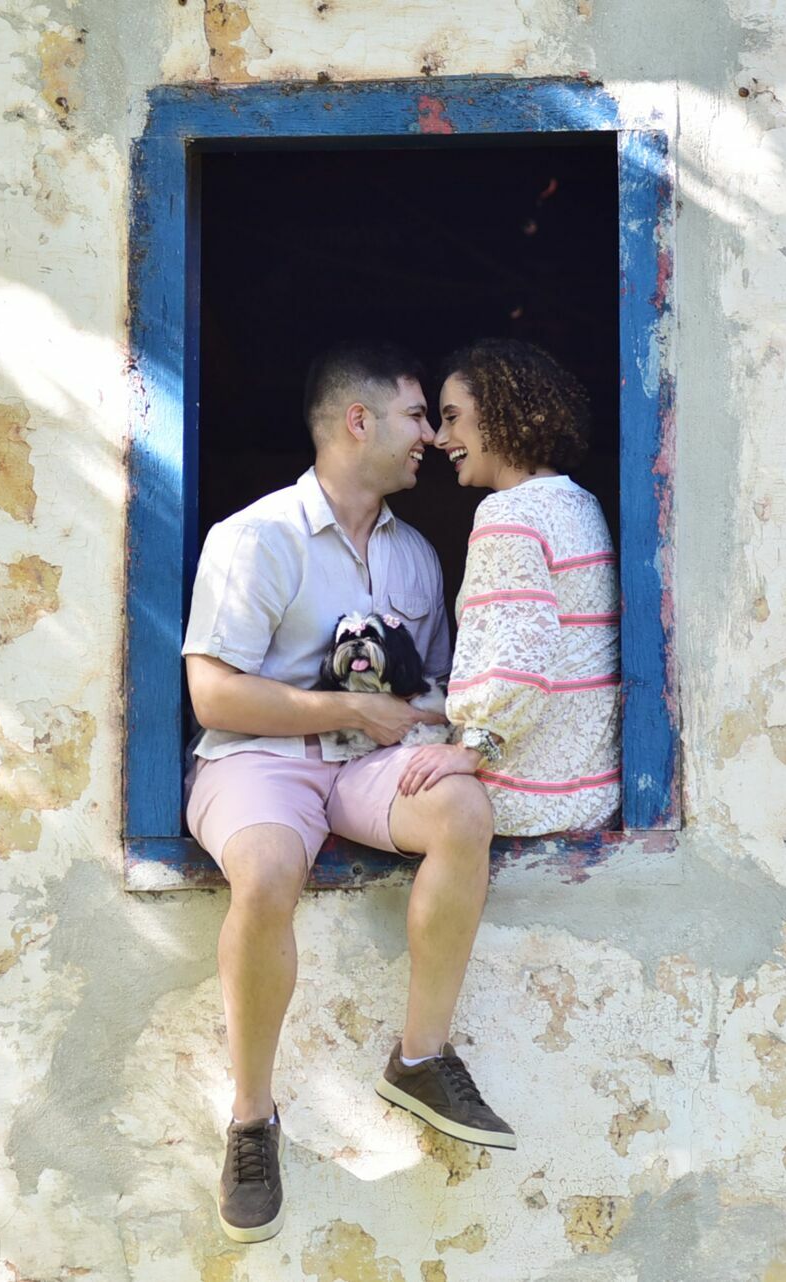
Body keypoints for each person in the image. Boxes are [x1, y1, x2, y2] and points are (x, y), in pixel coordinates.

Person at [182, 341, 515, 1246]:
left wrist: (442, 729)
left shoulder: (415, 558)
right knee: (264, 874)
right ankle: (253, 1121)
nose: (430, 438)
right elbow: (212, 693)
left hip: (371, 763)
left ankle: (420, 1057)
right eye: (418, 416)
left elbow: (443, 682)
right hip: (259, 758)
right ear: (356, 421)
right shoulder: (255, 538)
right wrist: (340, 709)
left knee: (463, 812)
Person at [396, 339, 623, 836]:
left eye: (453, 417)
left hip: (525, 793)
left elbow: (519, 652)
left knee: (359, 788)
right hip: (591, 786)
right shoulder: (582, 504)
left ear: (502, 415)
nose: (440, 438)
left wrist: (471, 750)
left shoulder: (507, 514)